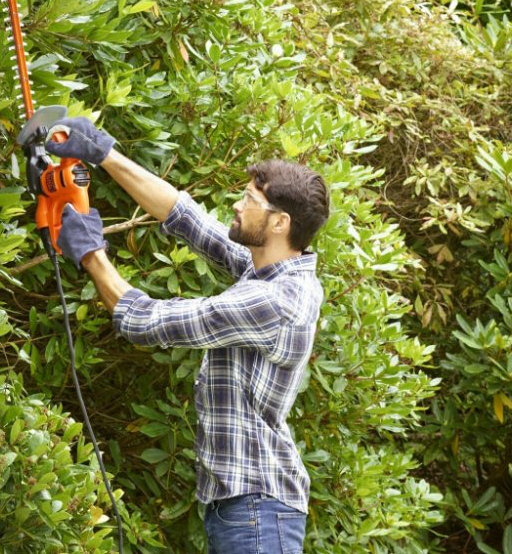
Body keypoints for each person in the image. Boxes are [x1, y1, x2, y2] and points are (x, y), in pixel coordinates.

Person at [47, 117, 329, 554]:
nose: (237, 205)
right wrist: (103, 153)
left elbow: (144, 321)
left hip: (256, 511)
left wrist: (91, 254)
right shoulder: (272, 269)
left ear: (279, 223)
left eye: (249, 200)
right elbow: (186, 217)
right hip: (245, 508)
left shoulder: (274, 301)